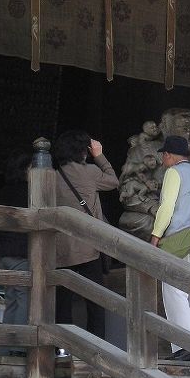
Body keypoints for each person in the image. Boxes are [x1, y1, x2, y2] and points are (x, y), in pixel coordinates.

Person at [53, 130, 119, 340]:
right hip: (89, 247)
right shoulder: (89, 171)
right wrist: (99, 155)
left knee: (62, 302)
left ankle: (61, 348)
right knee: (95, 301)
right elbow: (113, 181)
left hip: (61, 249)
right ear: (83, 151)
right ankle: (96, 344)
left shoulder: (51, 176)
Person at [150, 135, 190, 361]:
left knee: (174, 291)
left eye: (163, 155)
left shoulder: (173, 173)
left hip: (179, 241)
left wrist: (156, 234)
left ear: (168, 155)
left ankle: (185, 345)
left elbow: (167, 206)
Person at [0, 148, 32, 325]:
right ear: (25, 169)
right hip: (20, 253)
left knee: (9, 299)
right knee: (24, 298)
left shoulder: (1, 192)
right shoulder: (30, 193)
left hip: (1, 253)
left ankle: (6, 347)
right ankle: (19, 346)